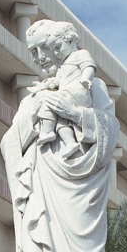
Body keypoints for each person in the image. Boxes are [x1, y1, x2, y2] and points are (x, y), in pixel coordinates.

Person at [1, 19, 119, 252]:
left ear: (58, 45)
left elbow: (109, 132)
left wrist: (74, 114)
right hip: (41, 189)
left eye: (40, 48)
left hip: (77, 193)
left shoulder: (92, 85)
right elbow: (9, 143)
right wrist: (36, 116)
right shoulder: (34, 96)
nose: (37, 58)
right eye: (32, 52)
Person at [27, 24, 97, 157]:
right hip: (40, 169)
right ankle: (59, 137)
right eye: (34, 51)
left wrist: (76, 114)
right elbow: (12, 143)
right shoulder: (31, 98)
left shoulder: (96, 86)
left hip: (79, 166)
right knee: (61, 123)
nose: (41, 57)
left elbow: (110, 129)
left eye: (46, 47)